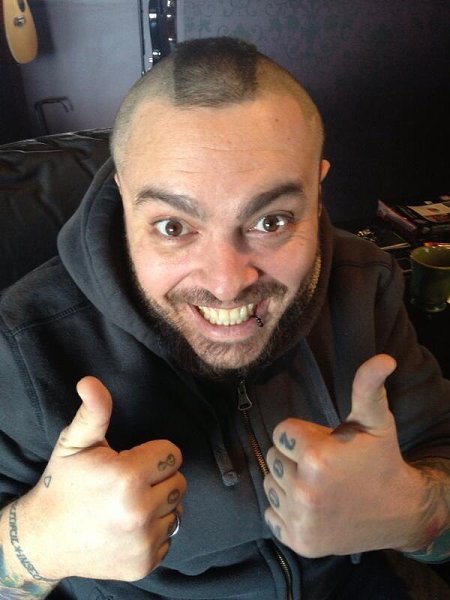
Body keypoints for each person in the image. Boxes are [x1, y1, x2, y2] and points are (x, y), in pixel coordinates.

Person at [0, 37, 449, 600]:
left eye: (271, 221)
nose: (226, 282)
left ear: (317, 188)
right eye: (173, 227)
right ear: (124, 194)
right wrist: (40, 543)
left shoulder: (366, 282)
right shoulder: (22, 339)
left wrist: (411, 512)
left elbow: (438, 450)